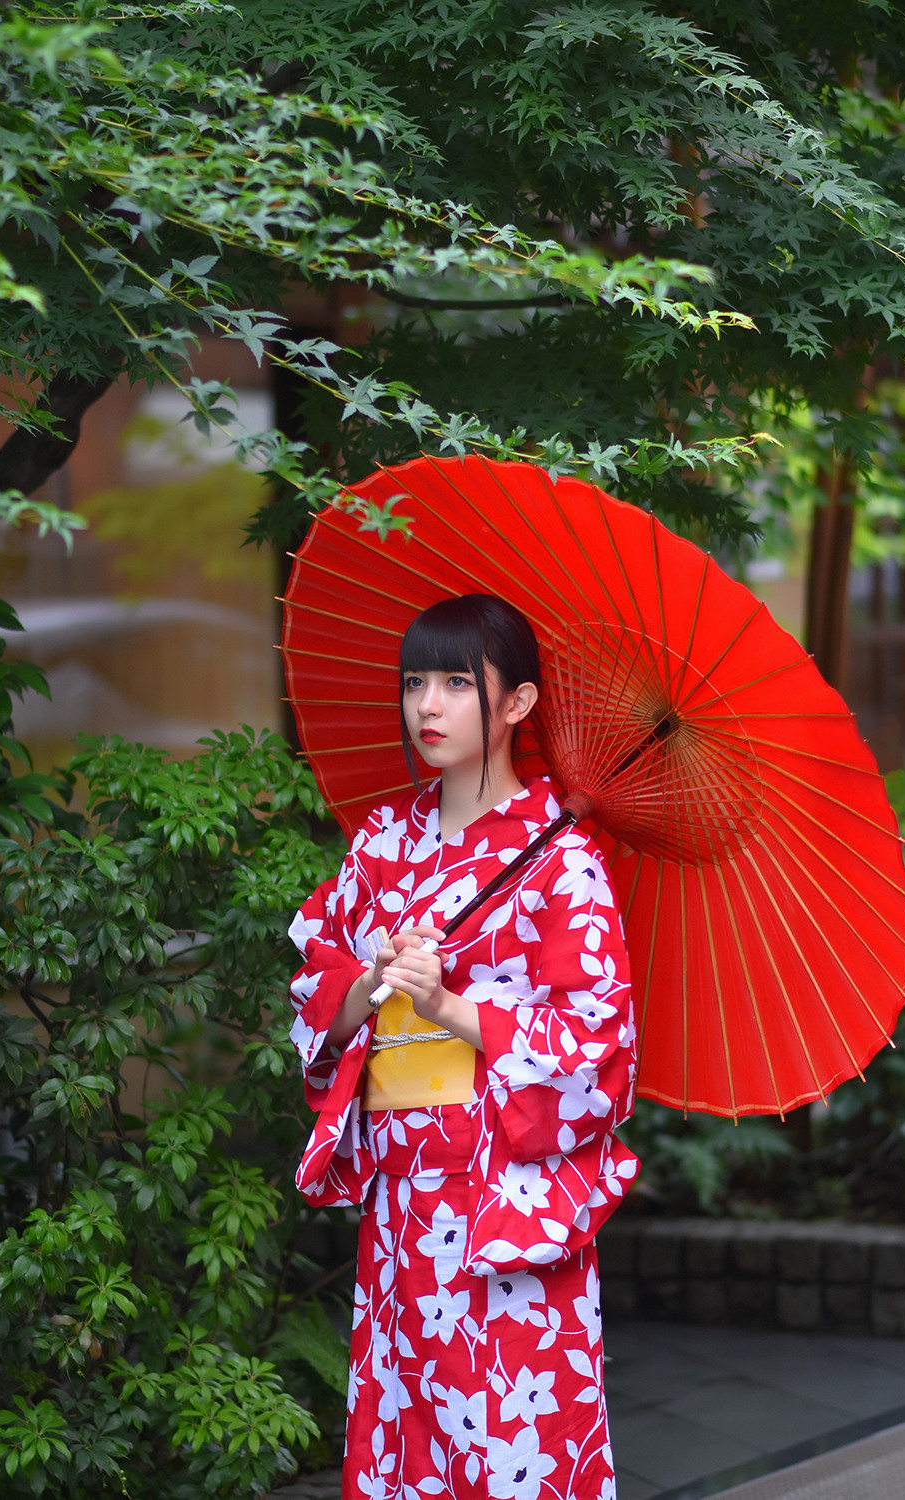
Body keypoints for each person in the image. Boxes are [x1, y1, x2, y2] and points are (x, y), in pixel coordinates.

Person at [288, 593, 638, 1500]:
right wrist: (370, 985)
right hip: (402, 1205)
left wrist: (449, 1004)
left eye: (455, 683)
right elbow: (314, 999)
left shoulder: (562, 863)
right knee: (404, 1442)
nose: (427, 708)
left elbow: (595, 1048)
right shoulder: (382, 846)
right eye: (414, 684)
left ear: (517, 704)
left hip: (502, 1206)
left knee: (512, 1439)